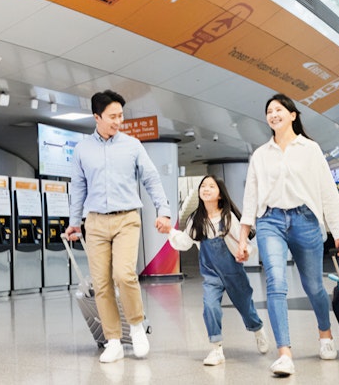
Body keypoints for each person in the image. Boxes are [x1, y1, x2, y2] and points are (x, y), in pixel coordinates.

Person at [237, 93, 339, 377]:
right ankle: (284, 354)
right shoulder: (260, 154)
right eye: (269, 111)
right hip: (270, 221)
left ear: (293, 115)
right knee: (275, 282)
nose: (273, 114)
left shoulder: (310, 149)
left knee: (313, 285)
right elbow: (250, 196)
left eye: (279, 109)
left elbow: (327, 191)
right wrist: (242, 237)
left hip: (305, 220)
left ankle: (325, 334)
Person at [66, 90, 173, 363]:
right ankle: (113, 340)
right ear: (97, 117)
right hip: (95, 222)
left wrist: (164, 210)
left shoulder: (132, 145)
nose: (118, 121)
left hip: (127, 218)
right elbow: (78, 188)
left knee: (124, 275)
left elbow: (151, 178)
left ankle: (136, 326)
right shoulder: (82, 149)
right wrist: (74, 223)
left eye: (120, 115)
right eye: (112, 116)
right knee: (101, 283)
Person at [168, 175, 271, 365]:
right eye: (203, 186)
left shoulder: (228, 217)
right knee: (210, 306)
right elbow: (184, 242)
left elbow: (243, 243)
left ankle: (257, 330)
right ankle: (216, 349)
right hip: (211, 274)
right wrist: (170, 231)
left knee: (245, 306)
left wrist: (245, 252)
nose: (206, 189)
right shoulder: (196, 219)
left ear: (220, 195)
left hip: (233, 272)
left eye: (211, 186)